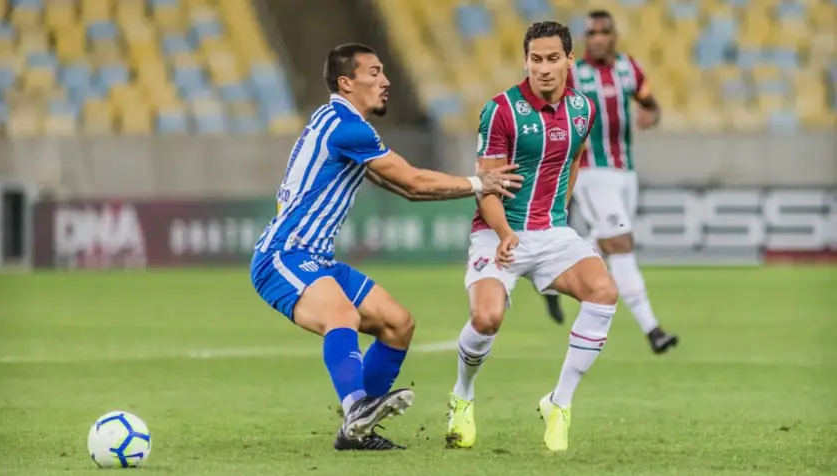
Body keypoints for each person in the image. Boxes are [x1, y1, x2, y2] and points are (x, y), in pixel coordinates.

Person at [250, 43, 523, 452]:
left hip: (317, 257)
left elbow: (406, 190)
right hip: (283, 255)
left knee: (397, 324)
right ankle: (358, 405)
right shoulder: (347, 126)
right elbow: (412, 180)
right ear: (347, 82)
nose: (385, 81)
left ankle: (356, 429)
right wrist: (477, 183)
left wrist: (471, 187)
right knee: (340, 312)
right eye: (374, 72)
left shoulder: (338, 123)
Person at [446, 21, 617, 452]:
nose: (543, 68)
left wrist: (558, 214)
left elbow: (574, 161)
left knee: (604, 291)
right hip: (497, 231)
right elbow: (486, 184)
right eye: (536, 59)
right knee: (486, 318)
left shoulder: (583, 109)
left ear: (569, 61)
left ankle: (559, 403)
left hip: (552, 233)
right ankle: (462, 396)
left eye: (553, 59)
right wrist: (504, 233)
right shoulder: (500, 110)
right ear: (526, 61)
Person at [542, 10, 679, 354]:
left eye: (604, 31)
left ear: (614, 35)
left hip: (625, 173)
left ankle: (552, 276)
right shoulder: (572, 74)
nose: (599, 38)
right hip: (590, 173)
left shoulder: (629, 68)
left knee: (606, 242)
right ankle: (653, 329)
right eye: (592, 33)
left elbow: (649, 102)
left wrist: (652, 113)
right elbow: (547, 111)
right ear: (586, 39)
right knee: (621, 241)